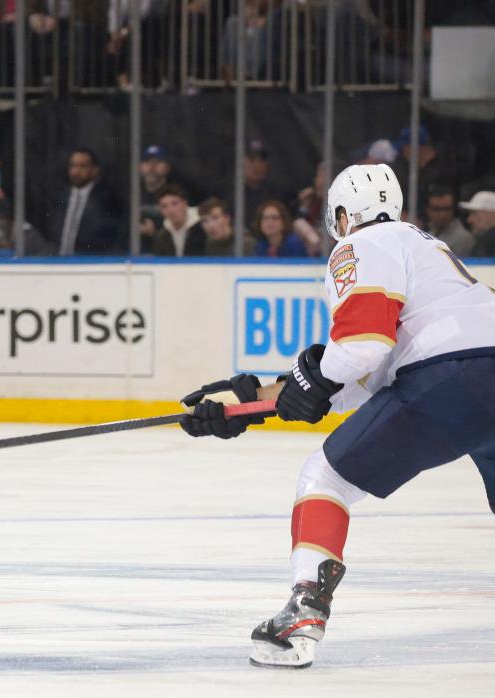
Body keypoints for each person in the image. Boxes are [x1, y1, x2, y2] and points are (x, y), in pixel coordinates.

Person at [179, 164, 495, 668]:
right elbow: (361, 379)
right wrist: (252, 404)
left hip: (450, 377)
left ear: (345, 215)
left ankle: (305, 611)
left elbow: (362, 349)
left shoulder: (363, 244)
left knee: (325, 477)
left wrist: (309, 382)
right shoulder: (426, 249)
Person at [48, 148, 122, 255]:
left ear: (95, 170)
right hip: (59, 264)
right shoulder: (60, 197)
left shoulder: (107, 199)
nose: (76, 171)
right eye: (73, 166)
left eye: (82, 166)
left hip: (90, 264)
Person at [143, 184, 206, 256]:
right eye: (164, 206)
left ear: (185, 203)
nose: (170, 210)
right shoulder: (162, 237)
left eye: (174, 204)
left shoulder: (204, 229)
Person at [425, 185, 474, 258]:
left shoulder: (462, 238)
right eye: (437, 209)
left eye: (447, 209)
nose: (442, 214)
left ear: (453, 209)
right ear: (428, 210)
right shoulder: (426, 233)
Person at [461, 190, 495, 256]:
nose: (469, 220)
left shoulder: (488, 241)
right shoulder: (482, 240)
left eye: (474, 213)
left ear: (492, 214)